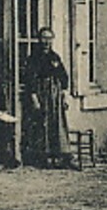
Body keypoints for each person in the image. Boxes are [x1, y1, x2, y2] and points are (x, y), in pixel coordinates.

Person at [21, 27, 72, 168]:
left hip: (54, 96)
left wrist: (64, 96)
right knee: (41, 126)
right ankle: (42, 158)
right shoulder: (33, 58)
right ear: (39, 40)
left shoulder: (55, 57)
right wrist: (34, 98)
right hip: (40, 94)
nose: (46, 42)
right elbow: (29, 80)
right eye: (44, 38)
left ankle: (59, 157)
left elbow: (64, 77)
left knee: (57, 125)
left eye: (49, 38)